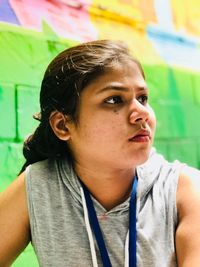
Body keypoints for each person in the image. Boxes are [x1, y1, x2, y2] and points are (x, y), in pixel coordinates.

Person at [0, 39, 200, 267]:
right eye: (114, 99)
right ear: (63, 126)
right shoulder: (38, 187)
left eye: (142, 98)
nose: (141, 113)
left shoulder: (184, 190)